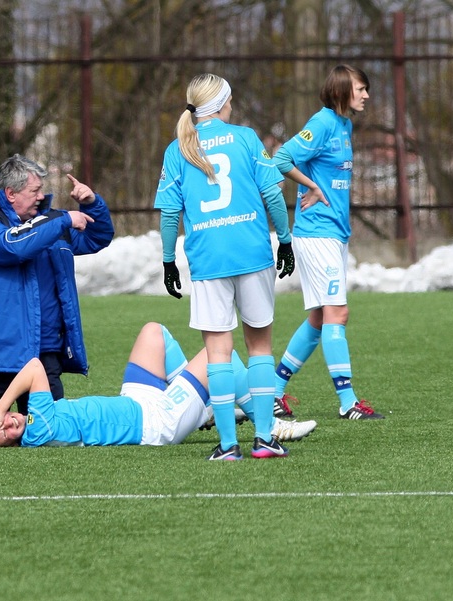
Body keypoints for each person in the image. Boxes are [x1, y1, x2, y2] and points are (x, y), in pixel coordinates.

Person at [154, 73, 295, 461]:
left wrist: (169, 261)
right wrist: (284, 239)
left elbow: (170, 214)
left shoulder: (176, 148)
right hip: (251, 252)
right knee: (260, 347)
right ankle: (265, 438)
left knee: (218, 351)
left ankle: (229, 445)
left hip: (208, 259)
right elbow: (271, 194)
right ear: (223, 103)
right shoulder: (247, 138)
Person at [0, 154, 114, 446]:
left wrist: (92, 203)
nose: (42, 197)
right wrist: (62, 219)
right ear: (11, 193)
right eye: (35, 191)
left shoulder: (48, 224)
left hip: (45, 350)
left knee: (50, 438)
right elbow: (14, 245)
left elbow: (97, 237)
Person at [0, 322, 317, 449]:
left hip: (138, 403)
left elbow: (33, 370)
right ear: (6, 445)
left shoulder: (33, 421)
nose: (8, 422)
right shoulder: (38, 431)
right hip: (157, 422)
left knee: (154, 332)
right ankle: (268, 425)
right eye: (2, 432)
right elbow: (35, 368)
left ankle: (204, 407)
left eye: (1, 422)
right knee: (219, 353)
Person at [270, 65, 383, 420]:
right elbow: (281, 159)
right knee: (339, 312)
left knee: (320, 318)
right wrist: (312, 186)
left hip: (334, 233)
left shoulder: (344, 125)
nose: (366, 95)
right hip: (316, 233)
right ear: (341, 90)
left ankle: (273, 392)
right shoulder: (321, 123)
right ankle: (348, 403)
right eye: (360, 88)